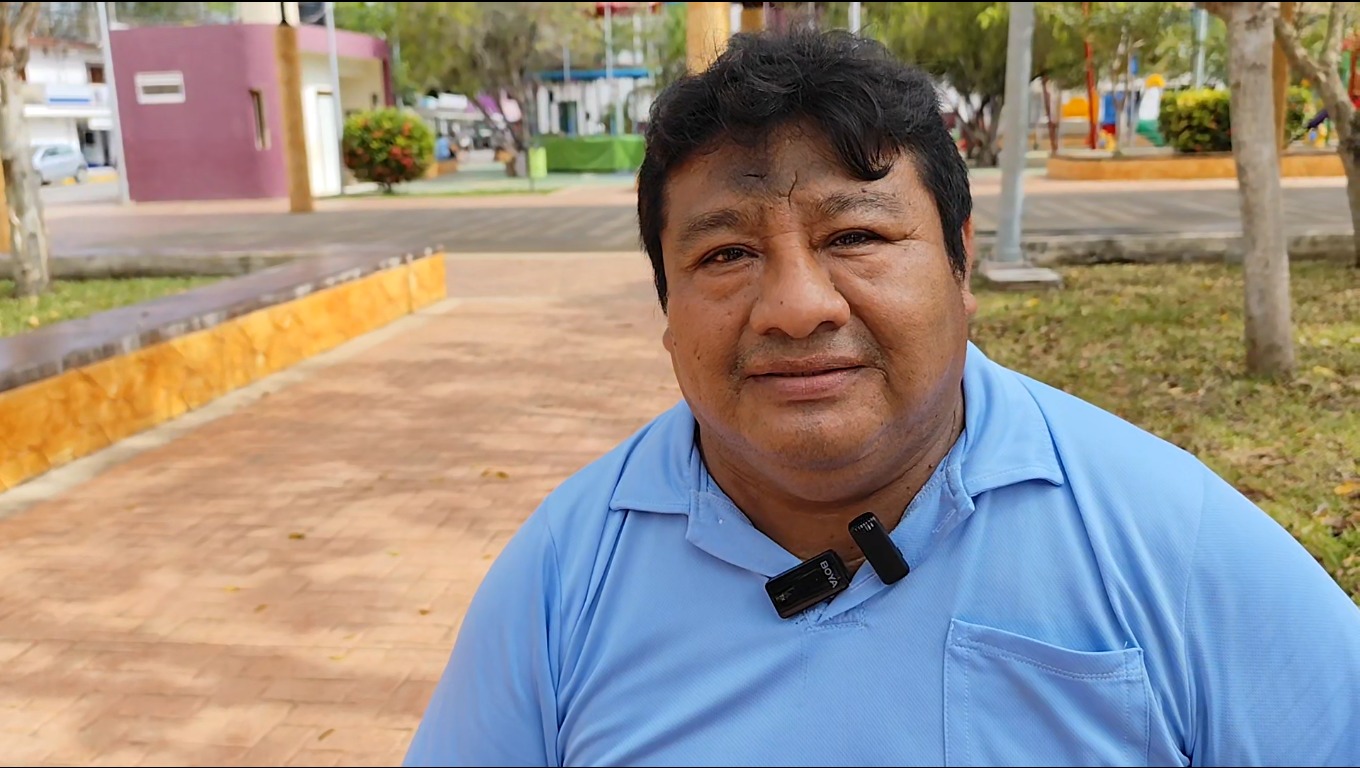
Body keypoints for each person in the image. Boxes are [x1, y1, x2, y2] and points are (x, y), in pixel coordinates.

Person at [404, 29, 1360, 767]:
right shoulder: (563, 579)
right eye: (726, 253)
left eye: (855, 236)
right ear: (666, 307)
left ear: (960, 263)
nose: (796, 307)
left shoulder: (1167, 541)